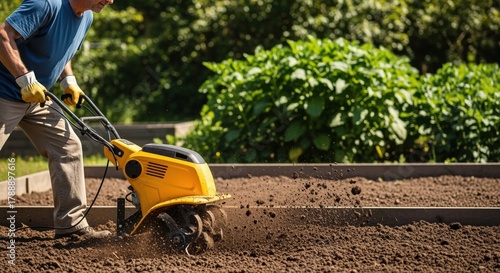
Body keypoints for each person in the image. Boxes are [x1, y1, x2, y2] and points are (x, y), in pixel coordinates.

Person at [0, 0, 114, 239]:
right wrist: (24, 78)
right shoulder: (46, 4)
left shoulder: (86, 17)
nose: (110, 1)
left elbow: (63, 51)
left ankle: (71, 227)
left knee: (68, 148)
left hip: (38, 97)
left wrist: (68, 80)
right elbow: (3, 34)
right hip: (4, 92)